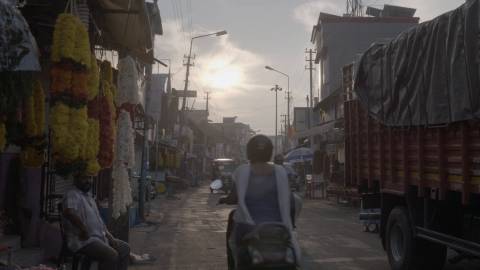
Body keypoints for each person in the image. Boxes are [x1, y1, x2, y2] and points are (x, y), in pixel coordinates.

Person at [219, 135, 301, 267]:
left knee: (233, 243)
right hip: (278, 227)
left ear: (249, 151)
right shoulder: (280, 171)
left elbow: (234, 197)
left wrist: (224, 200)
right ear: (270, 152)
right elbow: (288, 199)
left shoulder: (242, 170)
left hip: (248, 227)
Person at [62, 175, 130, 270]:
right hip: (82, 240)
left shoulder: (89, 197)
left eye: (90, 178)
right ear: (76, 179)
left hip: (98, 238)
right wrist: (83, 229)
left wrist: (110, 237)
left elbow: (99, 221)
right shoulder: (72, 193)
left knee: (125, 248)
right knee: (111, 255)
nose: (88, 181)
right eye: (84, 177)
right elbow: (69, 212)